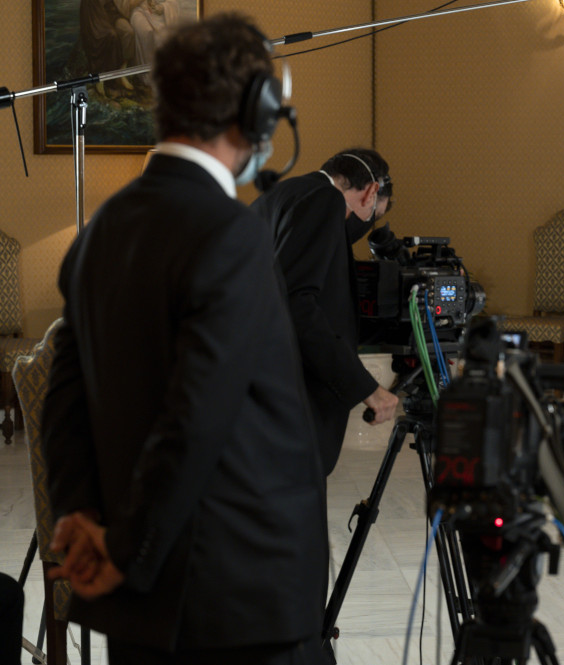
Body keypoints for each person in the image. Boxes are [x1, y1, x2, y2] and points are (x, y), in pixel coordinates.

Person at [41, 14, 328, 663]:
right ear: (254, 113)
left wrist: (82, 522)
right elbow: (195, 416)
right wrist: (126, 551)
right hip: (238, 607)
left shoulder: (98, 234)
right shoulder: (233, 233)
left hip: (142, 611)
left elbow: (63, 405)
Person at [251, 149, 399, 476]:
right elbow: (295, 305)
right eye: (373, 215)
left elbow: (325, 307)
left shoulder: (280, 194)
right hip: (292, 406)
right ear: (371, 191)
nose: (366, 226)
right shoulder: (326, 200)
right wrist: (364, 387)